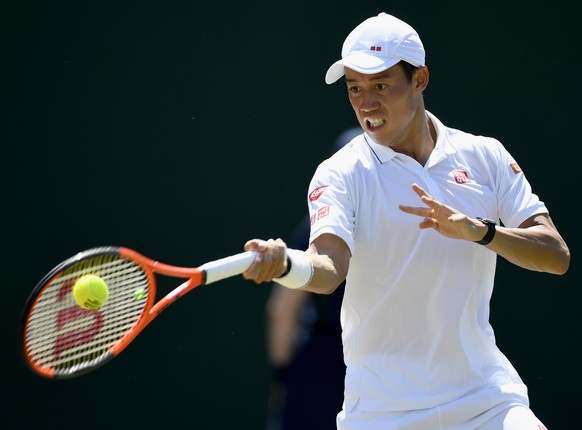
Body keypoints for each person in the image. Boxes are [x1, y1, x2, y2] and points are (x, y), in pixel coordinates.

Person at [244, 12, 570, 430]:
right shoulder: (339, 173)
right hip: (382, 416)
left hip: (486, 403)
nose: (366, 103)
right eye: (355, 88)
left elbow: (555, 255)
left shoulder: (485, 156)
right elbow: (327, 270)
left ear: (420, 80)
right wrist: (287, 264)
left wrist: (482, 232)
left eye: (381, 85)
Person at [265, 127, 360, 430]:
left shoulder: (316, 226)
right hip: (382, 372)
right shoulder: (404, 227)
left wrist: (282, 376)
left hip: (318, 370)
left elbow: (282, 310)